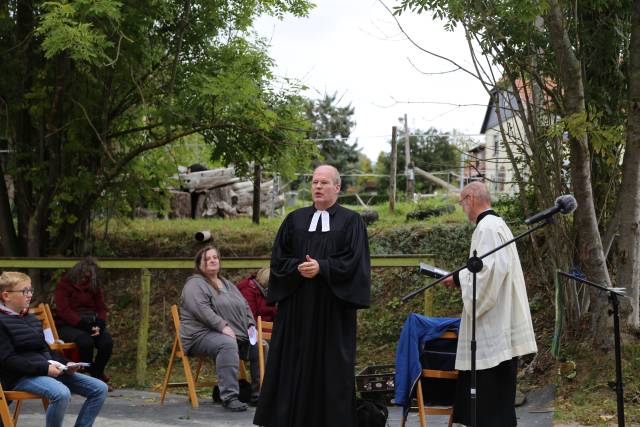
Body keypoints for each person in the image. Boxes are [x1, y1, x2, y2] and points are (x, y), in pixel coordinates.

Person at [253, 164, 372, 427]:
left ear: (337, 187)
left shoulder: (351, 222)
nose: (317, 187)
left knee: (330, 367)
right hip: (297, 309)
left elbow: (355, 263)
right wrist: (298, 268)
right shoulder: (294, 220)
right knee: (292, 363)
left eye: (324, 182)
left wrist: (323, 268)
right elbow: (278, 260)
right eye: (315, 182)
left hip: (332, 312)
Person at [442, 182, 538, 427]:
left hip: (491, 326)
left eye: (462, 202)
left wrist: (457, 278)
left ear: (471, 198)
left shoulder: (486, 228)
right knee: (498, 395)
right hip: (499, 320)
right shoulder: (498, 225)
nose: (462, 208)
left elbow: (486, 276)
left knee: (489, 401)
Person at [0, 271, 108, 427]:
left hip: (44, 370)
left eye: (31, 290)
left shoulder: (30, 318)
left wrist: (66, 363)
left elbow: (46, 350)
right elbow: (8, 360)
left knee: (100, 388)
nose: (29, 295)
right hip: (19, 377)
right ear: (6, 296)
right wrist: (46, 368)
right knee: (61, 394)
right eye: (25, 291)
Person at [179, 245, 260, 412]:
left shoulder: (227, 284)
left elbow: (244, 306)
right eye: (207, 259)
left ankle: (258, 395)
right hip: (199, 335)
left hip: (230, 333)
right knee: (227, 344)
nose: (212, 260)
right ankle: (229, 397)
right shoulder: (194, 284)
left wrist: (251, 325)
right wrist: (223, 326)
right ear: (199, 264)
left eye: (215, 257)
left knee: (260, 346)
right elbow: (202, 310)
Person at [55, 257, 113, 389]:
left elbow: (101, 308)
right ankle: (84, 375)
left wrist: (99, 324)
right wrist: (83, 325)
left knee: (106, 342)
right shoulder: (63, 285)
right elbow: (64, 310)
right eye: (83, 276)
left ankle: (96, 373)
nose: (85, 280)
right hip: (67, 324)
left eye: (88, 277)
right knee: (85, 342)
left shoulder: (94, 287)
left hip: (91, 322)